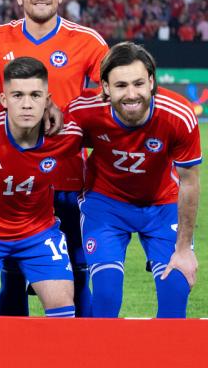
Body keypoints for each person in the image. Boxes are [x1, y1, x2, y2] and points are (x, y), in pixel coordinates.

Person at [0, 0, 108, 317]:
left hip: (66, 179)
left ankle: (79, 360)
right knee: (12, 274)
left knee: (77, 274)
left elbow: (109, 96)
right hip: (11, 178)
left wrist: (69, 111)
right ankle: (8, 363)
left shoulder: (87, 42)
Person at [67, 42, 201, 318]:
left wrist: (184, 248)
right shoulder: (83, 111)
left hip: (163, 205)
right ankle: (100, 360)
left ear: (151, 81)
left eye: (139, 83)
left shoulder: (178, 115)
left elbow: (189, 182)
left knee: (176, 292)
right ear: (105, 87)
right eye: (121, 85)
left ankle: (167, 362)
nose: (131, 94)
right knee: (105, 295)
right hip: (106, 204)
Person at [0, 57, 81, 317]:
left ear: (47, 99)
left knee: (63, 310)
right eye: (17, 95)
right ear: (4, 99)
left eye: (35, 95)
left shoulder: (68, 136)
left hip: (38, 232)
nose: (27, 104)